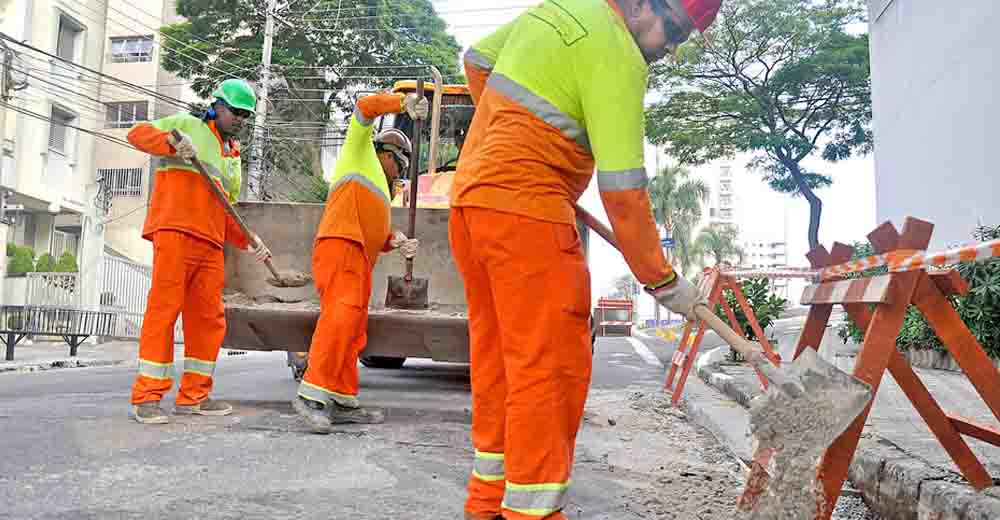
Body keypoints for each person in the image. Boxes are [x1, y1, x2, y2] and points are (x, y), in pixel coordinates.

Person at [451, 0, 723, 518]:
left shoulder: (558, 8)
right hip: (528, 216)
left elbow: (477, 60)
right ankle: (532, 512)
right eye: (675, 30)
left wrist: (512, 142)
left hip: (472, 204)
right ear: (643, 4)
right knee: (547, 373)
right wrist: (663, 281)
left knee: (500, 363)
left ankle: (487, 503)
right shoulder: (620, 53)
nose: (672, 47)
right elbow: (623, 190)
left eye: (683, 38)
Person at [126, 79, 272, 424]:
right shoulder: (186, 126)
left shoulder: (232, 154)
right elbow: (135, 133)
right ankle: (147, 397)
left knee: (208, 321)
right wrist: (172, 145)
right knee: (164, 313)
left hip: (209, 243)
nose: (241, 120)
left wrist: (250, 240)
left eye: (246, 116)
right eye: (236, 112)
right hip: (175, 232)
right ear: (217, 106)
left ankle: (194, 395)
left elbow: (224, 208)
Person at [291, 91, 426, 434]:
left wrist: (396, 242)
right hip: (340, 246)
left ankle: (341, 399)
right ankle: (311, 396)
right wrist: (401, 104)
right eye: (402, 165)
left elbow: (377, 237)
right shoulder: (359, 151)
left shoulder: (381, 189)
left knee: (353, 329)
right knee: (339, 319)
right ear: (387, 154)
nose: (401, 174)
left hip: (360, 256)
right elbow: (365, 107)